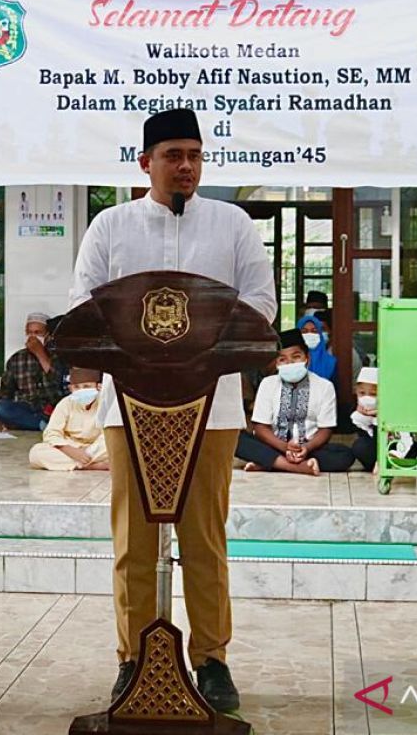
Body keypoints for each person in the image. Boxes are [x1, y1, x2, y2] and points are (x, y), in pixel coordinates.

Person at [70, 108, 276, 713]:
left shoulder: (232, 224)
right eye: (172, 156)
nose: (185, 166)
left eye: (193, 155)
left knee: (205, 539)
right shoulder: (111, 226)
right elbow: (86, 308)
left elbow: (259, 304)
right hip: (130, 407)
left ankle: (212, 660)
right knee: (133, 541)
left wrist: (196, 346)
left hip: (212, 408)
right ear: (145, 163)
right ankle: (132, 659)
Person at [236, 330, 355, 475]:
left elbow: (326, 429)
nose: (290, 363)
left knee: (345, 455)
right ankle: (298, 466)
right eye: (282, 359)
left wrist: (306, 448)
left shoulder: (324, 386)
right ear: (276, 363)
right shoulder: (268, 384)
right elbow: (260, 427)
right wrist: (285, 447)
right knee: (237, 440)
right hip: (274, 445)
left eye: (296, 357)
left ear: (307, 358)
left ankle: (271, 463)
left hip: (309, 448)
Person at [0, 312, 66, 430]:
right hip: (27, 408)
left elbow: (57, 385)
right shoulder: (17, 358)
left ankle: (43, 425)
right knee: (0, 408)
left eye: (37, 333)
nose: (32, 337)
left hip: (54, 408)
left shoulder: (58, 356)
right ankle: (43, 426)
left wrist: (40, 353)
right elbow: (5, 392)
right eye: (29, 332)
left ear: (47, 335)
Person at [28, 368, 110, 471]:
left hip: (95, 448)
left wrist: (88, 451)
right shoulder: (65, 403)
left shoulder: (105, 404)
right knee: (36, 453)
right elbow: (51, 433)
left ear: (98, 387)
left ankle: (79, 463)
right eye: (76, 387)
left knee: (114, 447)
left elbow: (107, 436)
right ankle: (92, 465)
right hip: (70, 447)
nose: (82, 391)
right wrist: (71, 451)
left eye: (87, 386)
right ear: (70, 389)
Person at [350, 367, 380, 471]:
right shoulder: (358, 417)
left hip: (395, 449)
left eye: (373, 394)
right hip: (372, 450)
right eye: (362, 393)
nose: (367, 398)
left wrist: (379, 416)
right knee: (360, 446)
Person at [297, 312, 337, 383]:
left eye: (314, 331)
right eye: (304, 331)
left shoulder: (330, 362)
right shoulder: (291, 360)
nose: (309, 334)